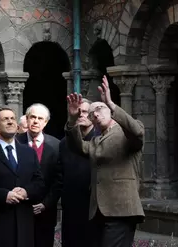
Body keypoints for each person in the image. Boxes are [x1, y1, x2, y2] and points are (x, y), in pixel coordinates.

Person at [65, 76, 145, 247]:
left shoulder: (126, 133)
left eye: (100, 108)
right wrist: (72, 119)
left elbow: (137, 132)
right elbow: (77, 146)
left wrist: (111, 103)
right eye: (92, 113)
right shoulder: (95, 141)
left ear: (110, 111)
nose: (95, 113)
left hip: (121, 209)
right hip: (99, 211)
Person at [0, 106, 45, 247]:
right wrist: (4, 195)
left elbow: (39, 182)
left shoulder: (28, 152)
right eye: (5, 119)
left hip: (24, 224)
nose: (10, 122)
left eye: (12, 118)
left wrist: (26, 192)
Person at [16, 103, 61, 247]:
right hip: (19, 209)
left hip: (45, 211)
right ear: (27, 119)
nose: (36, 121)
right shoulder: (15, 141)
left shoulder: (56, 145)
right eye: (32, 117)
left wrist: (45, 204)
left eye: (40, 118)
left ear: (46, 122)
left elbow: (58, 180)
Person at [59, 98, 100, 247]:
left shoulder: (100, 140)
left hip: (92, 207)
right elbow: (60, 173)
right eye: (78, 112)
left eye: (85, 112)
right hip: (71, 207)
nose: (81, 115)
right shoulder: (64, 143)